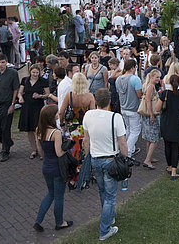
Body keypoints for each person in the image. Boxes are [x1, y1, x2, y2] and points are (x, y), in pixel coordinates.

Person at [83, 89, 127, 240]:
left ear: (96, 100)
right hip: (110, 161)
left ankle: (109, 217)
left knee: (103, 191)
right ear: (109, 101)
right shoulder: (116, 117)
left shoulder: (88, 115)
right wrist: (125, 159)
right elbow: (122, 141)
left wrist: (86, 155)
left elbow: (86, 140)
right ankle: (105, 230)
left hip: (96, 159)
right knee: (110, 196)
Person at [33, 104, 72, 233]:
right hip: (57, 168)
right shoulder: (56, 133)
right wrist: (68, 149)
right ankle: (59, 222)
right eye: (56, 113)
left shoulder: (38, 130)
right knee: (59, 196)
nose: (58, 114)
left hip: (46, 167)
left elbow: (40, 151)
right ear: (51, 116)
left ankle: (38, 220)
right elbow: (59, 153)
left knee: (50, 194)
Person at [59, 73, 95, 186]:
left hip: (73, 128)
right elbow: (93, 114)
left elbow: (61, 111)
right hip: (86, 127)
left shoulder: (69, 95)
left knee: (74, 151)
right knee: (87, 150)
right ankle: (86, 174)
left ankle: (73, 178)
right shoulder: (89, 96)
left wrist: (62, 123)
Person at [155, 74, 179, 179]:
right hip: (177, 123)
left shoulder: (165, 94)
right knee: (176, 147)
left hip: (166, 123)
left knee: (167, 146)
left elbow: (157, 108)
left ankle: (169, 166)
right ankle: (174, 170)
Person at [18, 64, 50, 159]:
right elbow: (20, 92)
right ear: (30, 72)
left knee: (39, 128)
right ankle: (33, 149)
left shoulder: (43, 81)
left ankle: (42, 149)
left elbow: (48, 94)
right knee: (29, 129)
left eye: (37, 72)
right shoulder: (25, 80)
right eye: (33, 72)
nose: (35, 74)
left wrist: (40, 96)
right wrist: (20, 98)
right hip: (27, 106)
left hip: (38, 106)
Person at [116, 59, 142, 160]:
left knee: (128, 129)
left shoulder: (118, 79)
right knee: (135, 131)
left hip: (123, 108)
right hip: (133, 109)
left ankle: (122, 149)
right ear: (132, 68)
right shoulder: (135, 79)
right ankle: (128, 153)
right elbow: (139, 95)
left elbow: (119, 92)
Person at [141, 69, 161, 170]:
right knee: (155, 138)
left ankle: (149, 156)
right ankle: (147, 160)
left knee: (149, 138)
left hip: (146, 115)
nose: (159, 79)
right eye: (157, 77)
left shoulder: (146, 84)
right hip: (150, 114)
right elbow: (148, 101)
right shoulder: (151, 87)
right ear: (152, 76)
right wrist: (151, 114)